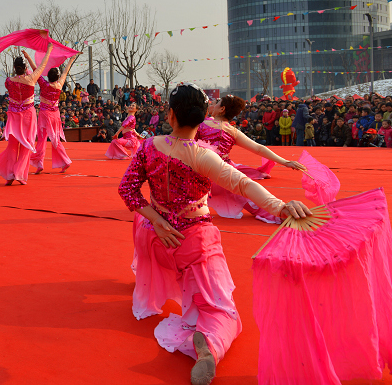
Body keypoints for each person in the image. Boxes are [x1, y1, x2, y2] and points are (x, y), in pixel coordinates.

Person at [118, 83, 311, 385]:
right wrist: (281, 206)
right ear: (201, 118)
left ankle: (156, 281)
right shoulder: (203, 155)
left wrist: (156, 220)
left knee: (142, 222)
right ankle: (210, 346)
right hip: (189, 243)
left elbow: (127, 191)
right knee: (224, 312)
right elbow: (243, 183)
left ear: (170, 115)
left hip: (152, 238)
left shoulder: (148, 146)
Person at [195, 95, 305, 223]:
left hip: (200, 173)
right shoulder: (232, 131)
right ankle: (283, 214)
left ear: (222, 109)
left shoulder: (201, 125)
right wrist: (285, 162)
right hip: (225, 174)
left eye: (217, 103)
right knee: (251, 198)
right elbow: (258, 148)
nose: (213, 105)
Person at [0, 45, 53, 185]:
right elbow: (42, 65)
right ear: (26, 68)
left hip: (13, 115)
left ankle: (10, 175)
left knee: (12, 146)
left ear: (14, 68)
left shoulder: (8, 81)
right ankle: (19, 174)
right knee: (26, 145)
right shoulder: (31, 79)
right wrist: (48, 50)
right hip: (28, 116)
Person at [30, 54, 78, 174]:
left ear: (48, 76)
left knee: (41, 139)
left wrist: (27, 58)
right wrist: (71, 59)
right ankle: (65, 161)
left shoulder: (43, 84)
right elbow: (65, 72)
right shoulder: (59, 84)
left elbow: (36, 69)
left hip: (45, 114)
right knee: (55, 139)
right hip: (55, 114)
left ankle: (39, 163)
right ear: (57, 77)